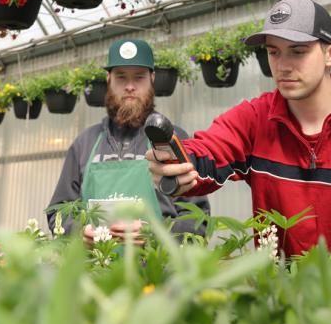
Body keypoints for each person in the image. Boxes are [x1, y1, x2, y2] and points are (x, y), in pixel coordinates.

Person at [146, 0, 331, 259]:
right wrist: (177, 163)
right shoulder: (255, 120)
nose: (283, 65)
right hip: (287, 305)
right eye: (274, 51)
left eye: (298, 51)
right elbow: (210, 151)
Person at [46, 37, 210, 244]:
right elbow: (57, 211)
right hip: (96, 271)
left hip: (158, 271)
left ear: (152, 78)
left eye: (139, 77)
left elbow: (198, 219)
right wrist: (77, 231)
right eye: (121, 77)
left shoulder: (172, 139)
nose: (130, 86)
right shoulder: (85, 143)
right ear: (108, 79)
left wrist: (156, 235)